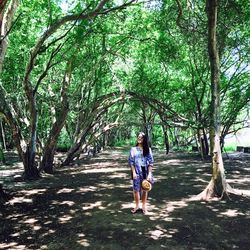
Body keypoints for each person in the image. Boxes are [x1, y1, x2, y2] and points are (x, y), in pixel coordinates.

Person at [128, 132, 154, 214]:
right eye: (138, 137)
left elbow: (150, 163)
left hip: (145, 171)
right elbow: (131, 162)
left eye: (141, 137)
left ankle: (143, 207)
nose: (139, 139)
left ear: (144, 139)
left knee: (145, 189)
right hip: (136, 171)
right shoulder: (133, 149)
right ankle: (137, 206)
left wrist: (149, 174)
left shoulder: (148, 149)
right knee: (136, 190)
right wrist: (134, 172)